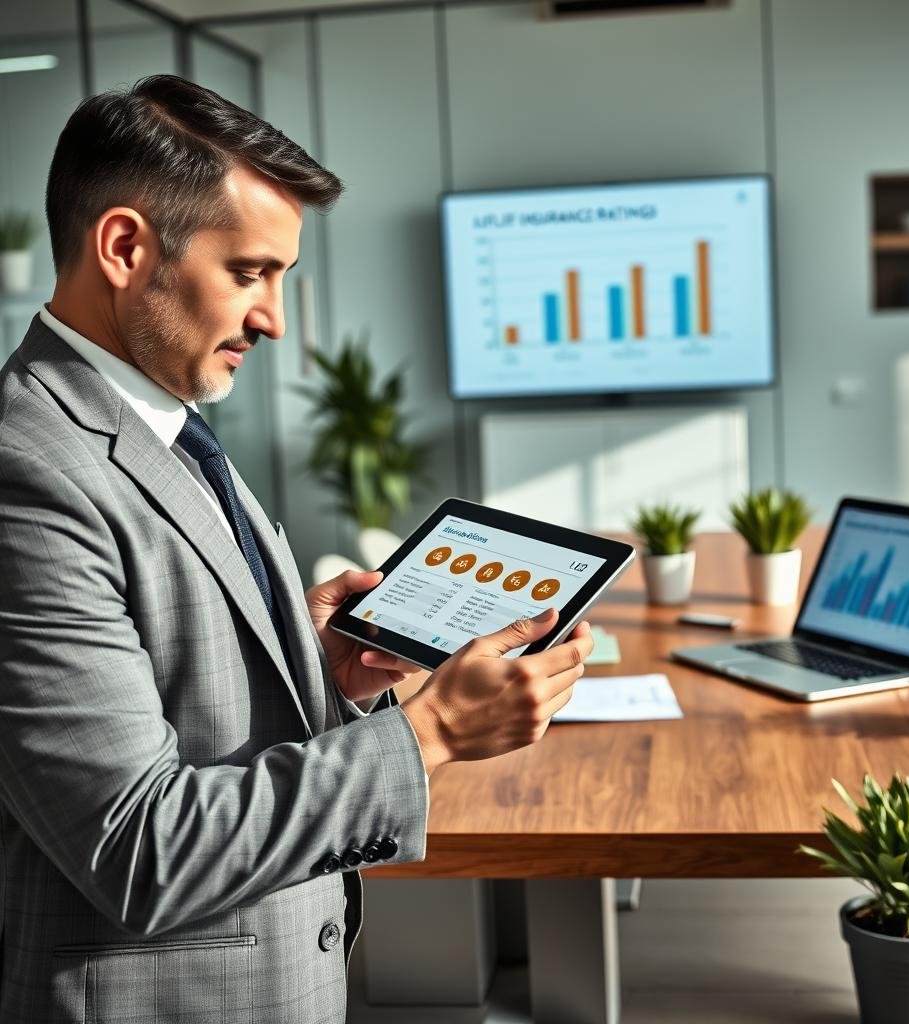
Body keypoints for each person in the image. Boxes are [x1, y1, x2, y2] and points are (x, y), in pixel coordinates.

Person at [0, 75, 592, 1024]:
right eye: (250, 273)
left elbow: (165, 679)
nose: (274, 317)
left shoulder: (160, 421)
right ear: (122, 247)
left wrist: (311, 664)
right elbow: (139, 847)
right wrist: (430, 734)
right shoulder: (28, 471)